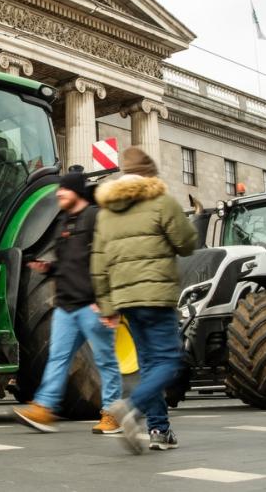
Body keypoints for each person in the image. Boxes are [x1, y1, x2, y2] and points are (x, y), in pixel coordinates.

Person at [93, 147, 197, 454]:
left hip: (126, 300)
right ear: (150, 174)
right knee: (169, 361)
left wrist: (108, 306)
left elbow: (98, 263)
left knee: (150, 366)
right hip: (156, 296)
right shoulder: (161, 201)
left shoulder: (107, 211)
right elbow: (187, 243)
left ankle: (159, 430)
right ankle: (130, 408)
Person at [13, 172, 123, 434]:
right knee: (58, 358)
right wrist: (48, 269)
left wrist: (110, 304)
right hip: (67, 306)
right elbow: (69, 263)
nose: (59, 193)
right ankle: (45, 409)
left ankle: (112, 414)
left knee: (105, 360)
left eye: (64, 190)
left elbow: (112, 260)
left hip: (92, 305)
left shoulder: (96, 218)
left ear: (76, 191)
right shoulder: (65, 221)